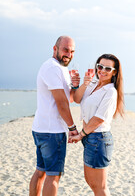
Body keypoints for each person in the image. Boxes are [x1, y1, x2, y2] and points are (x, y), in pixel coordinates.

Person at [29, 36, 80, 196]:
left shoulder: (60, 68)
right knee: (53, 176)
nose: (69, 54)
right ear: (55, 48)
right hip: (52, 132)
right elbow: (62, 104)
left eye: (72, 51)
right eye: (66, 49)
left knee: (41, 172)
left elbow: (68, 98)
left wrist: (75, 86)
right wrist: (72, 127)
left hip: (41, 128)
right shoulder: (52, 67)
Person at [69, 54, 124, 196]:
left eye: (107, 68)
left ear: (114, 72)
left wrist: (81, 135)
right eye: (100, 66)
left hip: (98, 139)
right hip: (90, 139)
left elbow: (99, 119)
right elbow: (76, 99)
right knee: (91, 182)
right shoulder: (92, 84)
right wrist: (84, 84)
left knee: (100, 187)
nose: (102, 71)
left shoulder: (111, 92)